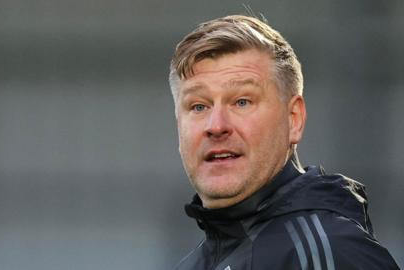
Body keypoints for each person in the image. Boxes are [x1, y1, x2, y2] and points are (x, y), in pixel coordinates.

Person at [169, 15, 400, 270]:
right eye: (198, 106)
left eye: (242, 102)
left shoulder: (331, 253)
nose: (216, 125)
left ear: (294, 119)